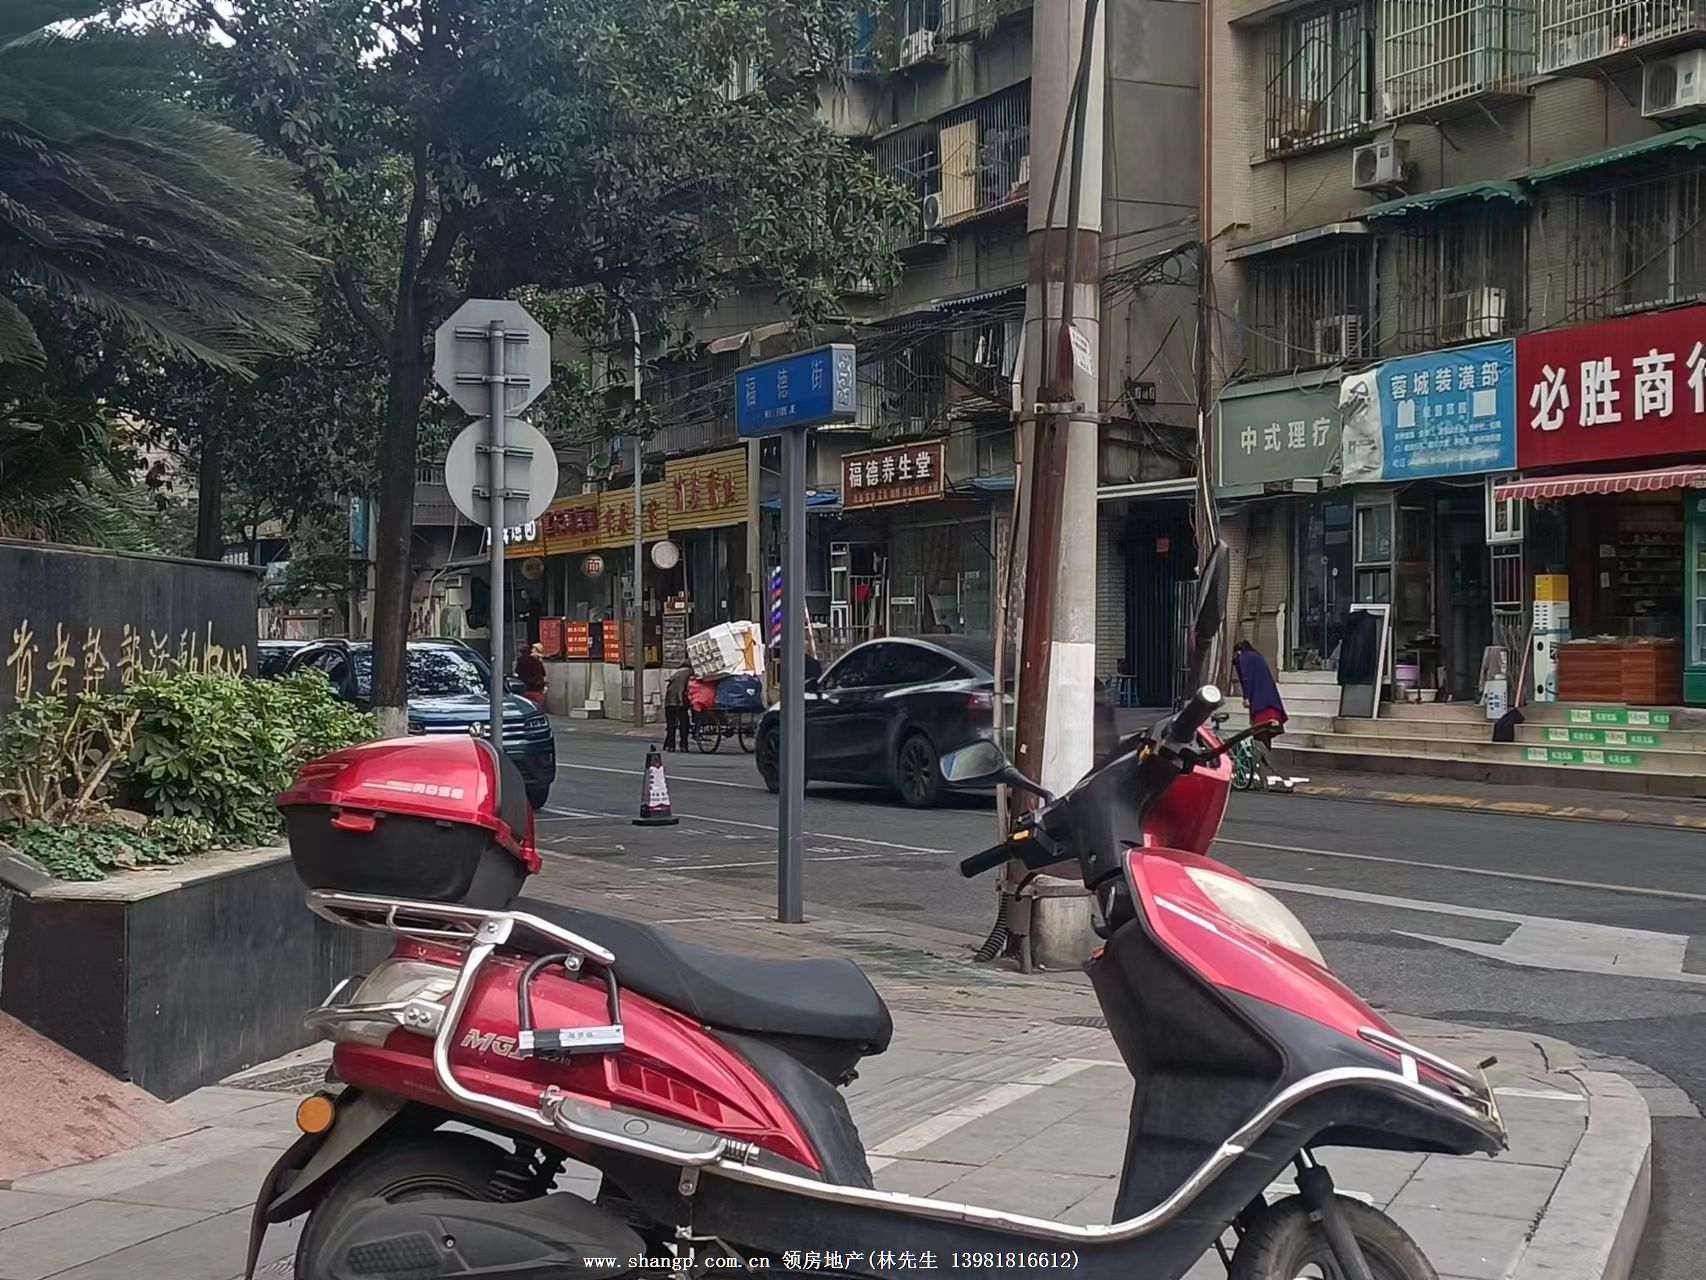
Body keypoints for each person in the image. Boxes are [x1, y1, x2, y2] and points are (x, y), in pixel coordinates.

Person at [1232, 639, 1286, 730]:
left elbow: (1245, 678)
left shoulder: (1243, 658)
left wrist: (1246, 696)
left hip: (1258, 703)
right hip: (1270, 700)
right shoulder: (1258, 657)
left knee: (1260, 728)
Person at [663, 661, 694, 752]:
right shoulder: (690, 672)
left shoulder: (676, 673)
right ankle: (684, 745)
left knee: (671, 725)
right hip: (681, 701)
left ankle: (671, 745)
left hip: (670, 701)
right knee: (684, 724)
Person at [515, 642, 547, 707]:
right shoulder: (537, 661)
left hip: (525, 688)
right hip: (537, 689)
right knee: (537, 707)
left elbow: (517, 672)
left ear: (521, 652)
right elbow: (543, 673)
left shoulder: (520, 661)